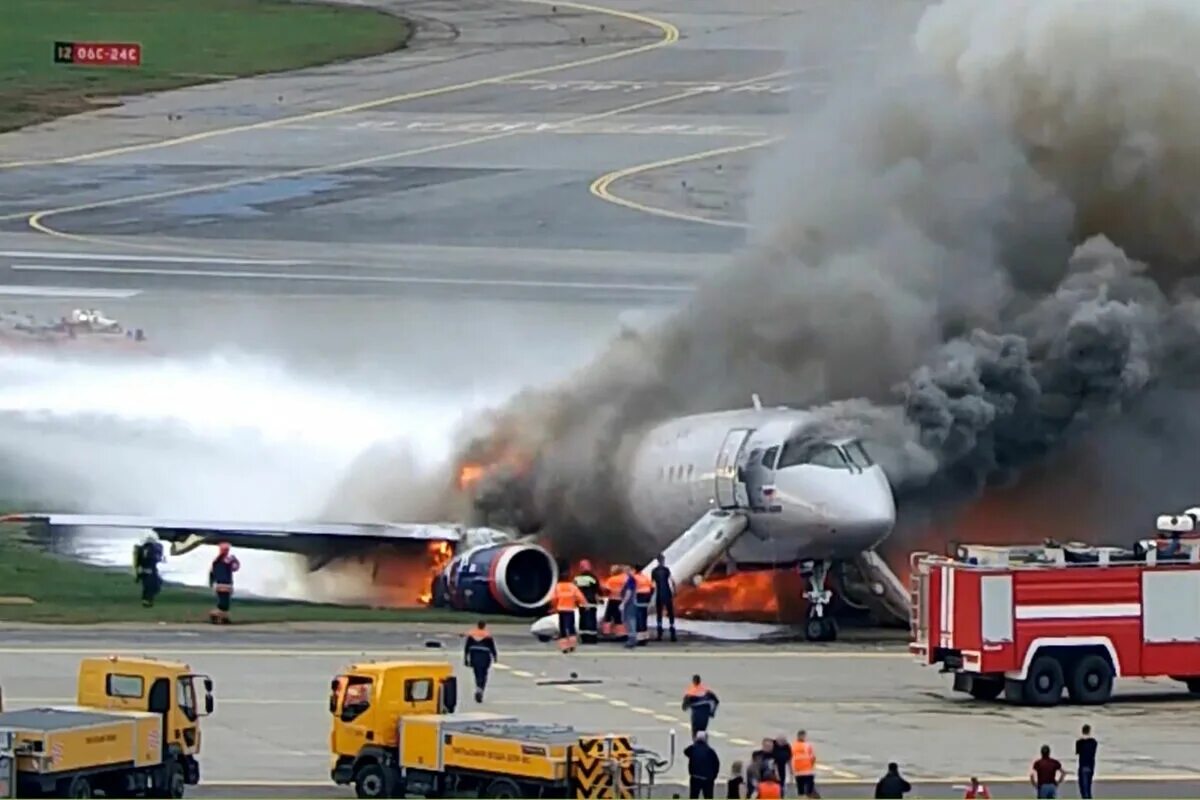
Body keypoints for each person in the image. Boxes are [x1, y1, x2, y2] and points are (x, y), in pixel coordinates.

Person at [552, 569, 588, 653]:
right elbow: (580, 596)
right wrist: (585, 604)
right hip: (570, 609)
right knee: (571, 627)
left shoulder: (558, 586)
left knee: (562, 628)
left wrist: (554, 607)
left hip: (561, 609)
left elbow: (553, 598)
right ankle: (572, 645)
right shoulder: (572, 586)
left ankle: (564, 647)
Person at [463, 621, 498, 702]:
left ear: (477, 626)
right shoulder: (487, 635)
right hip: (485, 656)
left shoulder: (472, 634)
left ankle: (478, 687)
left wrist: (465, 659)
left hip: (474, 655)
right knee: (484, 674)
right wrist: (495, 656)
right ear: (484, 626)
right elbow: (492, 647)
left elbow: (467, 647)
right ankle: (481, 688)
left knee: (477, 673)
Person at [207, 542, 240, 624]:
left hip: (218, 584)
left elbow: (211, 573)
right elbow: (235, 567)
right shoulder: (229, 559)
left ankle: (223, 618)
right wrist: (235, 559)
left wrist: (211, 583)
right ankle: (215, 614)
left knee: (223, 602)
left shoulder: (215, 561)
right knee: (224, 604)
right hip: (226, 584)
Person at [684, 731, 721, 799]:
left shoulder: (693, 749)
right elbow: (716, 764)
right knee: (708, 796)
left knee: (693, 796)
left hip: (695, 777)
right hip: (707, 778)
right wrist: (714, 776)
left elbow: (686, 751)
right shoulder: (710, 751)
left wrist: (695, 743)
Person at [132, 533, 164, 607]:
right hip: (149, 570)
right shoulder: (152, 548)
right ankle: (147, 601)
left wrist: (136, 574)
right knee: (152, 586)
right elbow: (155, 558)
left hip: (146, 570)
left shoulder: (141, 549)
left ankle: (146, 601)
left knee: (150, 586)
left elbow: (136, 562)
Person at [650, 554, 677, 641]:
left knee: (659, 613)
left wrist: (650, 595)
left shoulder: (654, 571)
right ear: (663, 560)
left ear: (657, 561)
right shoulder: (666, 570)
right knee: (671, 613)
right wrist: (675, 592)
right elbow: (672, 581)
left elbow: (653, 585)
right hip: (667, 593)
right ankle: (673, 633)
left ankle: (659, 634)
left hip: (659, 594)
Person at [574, 559, 601, 644]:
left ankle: (584, 638)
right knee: (591, 619)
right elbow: (597, 589)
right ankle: (592, 638)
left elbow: (575, 590)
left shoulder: (577, 578)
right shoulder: (592, 578)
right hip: (591, 601)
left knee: (583, 619)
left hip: (582, 602)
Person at [790, 730, 817, 798]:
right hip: (808, 771)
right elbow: (813, 758)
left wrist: (792, 770)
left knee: (801, 790)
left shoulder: (793, 746)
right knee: (809, 790)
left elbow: (791, 759)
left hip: (798, 771)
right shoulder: (807, 745)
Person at [1075, 724, 1097, 799]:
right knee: (1088, 787)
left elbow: (1077, 752)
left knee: (1084, 789)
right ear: (1089, 731)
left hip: (1083, 766)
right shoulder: (1094, 742)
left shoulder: (1079, 742)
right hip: (1091, 766)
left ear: (1082, 731)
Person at [633, 568, 654, 645]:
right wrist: (649, 597)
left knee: (639, 619)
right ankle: (645, 637)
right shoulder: (646, 578)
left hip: (637, 600)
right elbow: (652, 587)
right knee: (643, 618)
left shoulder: (634, 578)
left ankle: (640, 639)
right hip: (645, 601)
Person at [620, 565, 639, 649]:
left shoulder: (631, 580)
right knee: (630, 620)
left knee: (630, 620)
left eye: (627, 570)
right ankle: (632, 639)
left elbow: (629, 592)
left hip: (630, 603)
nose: (626, 572)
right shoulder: (631, 579)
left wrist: (623, 603)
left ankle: (632, 640)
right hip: (632, 602)